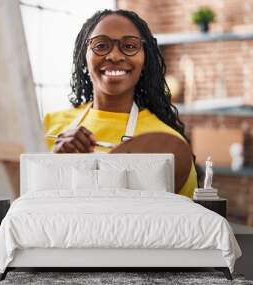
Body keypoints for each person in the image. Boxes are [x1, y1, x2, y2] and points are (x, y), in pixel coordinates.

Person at [43, 9, 198, 197]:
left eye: (130, 46)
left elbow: (183, 221)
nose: (115, 56)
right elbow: (22, 206)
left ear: (145, 61)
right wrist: (53, 164)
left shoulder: (168, 143)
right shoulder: (49, 127)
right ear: (84, 57)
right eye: (101, 45)